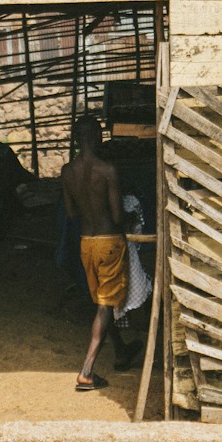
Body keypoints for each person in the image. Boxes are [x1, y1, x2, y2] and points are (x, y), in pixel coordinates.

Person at [61, 115, 140, 390]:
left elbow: (71, 213)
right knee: (106, 307)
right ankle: (86, 372)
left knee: (102, 304)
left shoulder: (67, 171)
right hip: (109, 242)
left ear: (75, 139)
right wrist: (131, 215)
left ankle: (121, 352)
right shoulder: (107, 170)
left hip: (86, 243)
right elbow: (117, 216)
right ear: (98, 137)